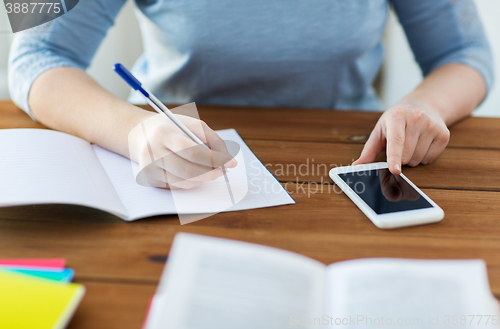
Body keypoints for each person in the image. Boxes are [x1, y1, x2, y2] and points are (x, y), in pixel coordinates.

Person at [9, 0, 493, 189]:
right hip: (173, 162)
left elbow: (465, 49)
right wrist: (134, 130)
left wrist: (424, 107)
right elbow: (33, 57)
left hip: (351, 166)